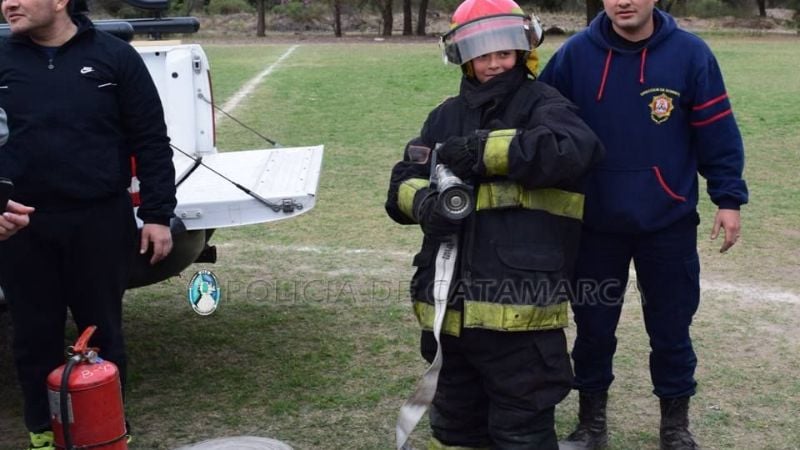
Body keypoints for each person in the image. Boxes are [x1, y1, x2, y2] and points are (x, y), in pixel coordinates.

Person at [386, 0, 604, 447]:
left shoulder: (544, 104)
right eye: (482, 54)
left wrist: (485, 152)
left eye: (504, 52)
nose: (495, 63)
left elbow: (574, 148)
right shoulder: (444, 116)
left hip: (520, 317)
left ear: (524, 49)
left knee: (521, 430)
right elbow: (402, 181)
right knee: (457, 428)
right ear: (462, 56)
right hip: (449, 314)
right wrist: (425, 204)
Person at [538, 1, 748, 449]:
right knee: (593, 330)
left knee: (671, 329)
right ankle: (591, 426)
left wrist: (728, 198)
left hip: (667, 222)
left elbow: (717, 130)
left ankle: (674, 427)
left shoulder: (691, 54)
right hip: (594, 224)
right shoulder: (574, 55)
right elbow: (535, 117)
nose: (624, 1)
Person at [0, 0, 176, 447]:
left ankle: (105, 430)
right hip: (21, 226)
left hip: (99, 220)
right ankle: (44, 431)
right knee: (33, 338)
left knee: (103, 330)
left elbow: (151, 139)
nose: (8, 3)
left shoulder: (115, 56)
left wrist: (156, 214)